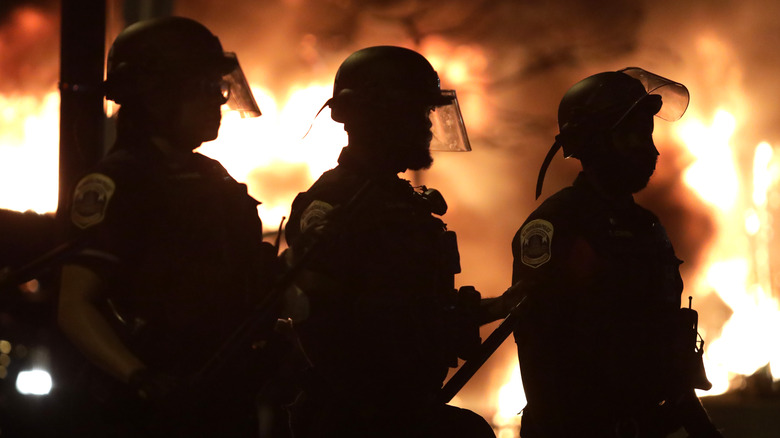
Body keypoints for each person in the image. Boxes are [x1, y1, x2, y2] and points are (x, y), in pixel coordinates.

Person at [56, 16, 276, 437]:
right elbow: (75, 305)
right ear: (158, 96)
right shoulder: (116, 183)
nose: (219, 101)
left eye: (220, 87)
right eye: (206, 88)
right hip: (146, 413)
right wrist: (141, 379)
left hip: (221, 401)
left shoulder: (214, 178)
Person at [281, 45, 495, 438]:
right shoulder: (335, 203)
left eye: (428, 112)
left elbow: (413, 310)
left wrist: (504, 304)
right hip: (356, 421)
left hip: (406, 409)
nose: (428, 125)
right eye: (416, 111)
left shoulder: (400, 201)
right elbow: (325, 328)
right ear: (371, 116)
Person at [500, 68, 723, 437]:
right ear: (595, 141)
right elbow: (542, 353)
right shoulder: (559, 226)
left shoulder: (646, 227)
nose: (649, 149)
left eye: (648, 133)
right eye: (633, 135)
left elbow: (664, 348)